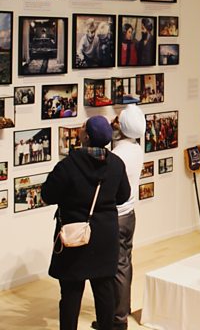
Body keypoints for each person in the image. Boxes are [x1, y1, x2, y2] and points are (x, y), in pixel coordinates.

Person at [41, 115, 131, 330]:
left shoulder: (68, 165)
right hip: (105, 237)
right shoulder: (116, 164)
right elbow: (123, 196)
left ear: (87, 137)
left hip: (75, 236)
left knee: (71, 293)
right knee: (104, 290)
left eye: (83, 127)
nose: (80, 129)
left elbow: (47, 195)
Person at [92, 105, 145, 330]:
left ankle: (117, 318)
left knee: (115, 267)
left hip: (117, 215)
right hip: (129, 213)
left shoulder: (118, 156)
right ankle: (121, 309)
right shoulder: (136, 149)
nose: (114, 122)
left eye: (117, 120)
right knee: (124, 263)